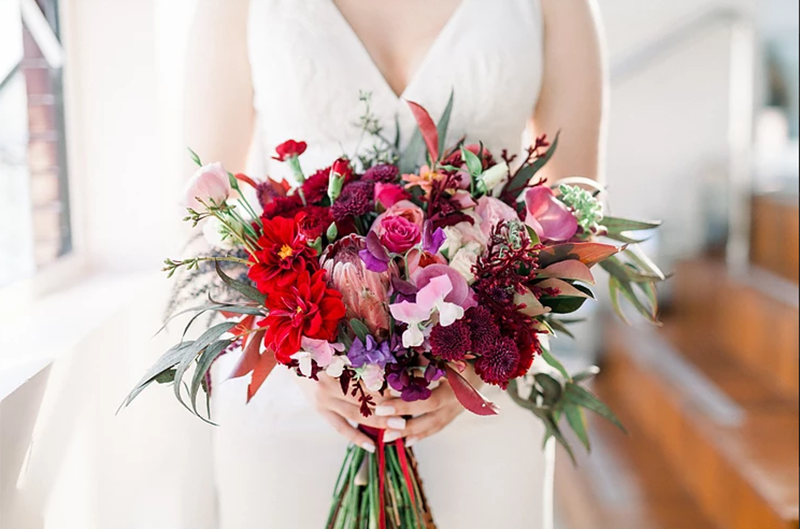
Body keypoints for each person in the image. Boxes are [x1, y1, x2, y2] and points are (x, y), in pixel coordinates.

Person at [184, 1, 606, 527]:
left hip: (479, 400)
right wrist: (298, 358)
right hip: (294, 398)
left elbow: (576, 215)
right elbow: (202, 214)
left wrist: (483, 357)